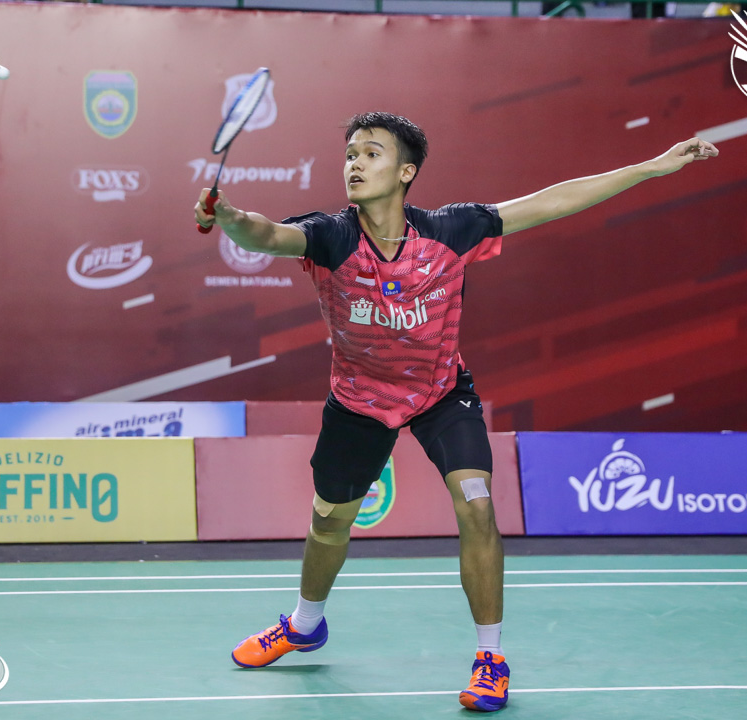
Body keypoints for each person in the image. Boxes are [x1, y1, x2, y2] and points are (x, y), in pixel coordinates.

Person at [193, 112, 718, 712]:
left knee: (477, 505)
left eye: (371, 153)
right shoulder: (330, 237)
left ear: (406, 171)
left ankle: (491, 658)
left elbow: (552, 202)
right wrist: (227, 216)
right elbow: (266, 235)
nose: (355, 164)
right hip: (360, 400)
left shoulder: (451, 230)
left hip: (441, 393)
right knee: (329, 522)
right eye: (351, 154)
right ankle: (304, 624)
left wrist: (653, 166)